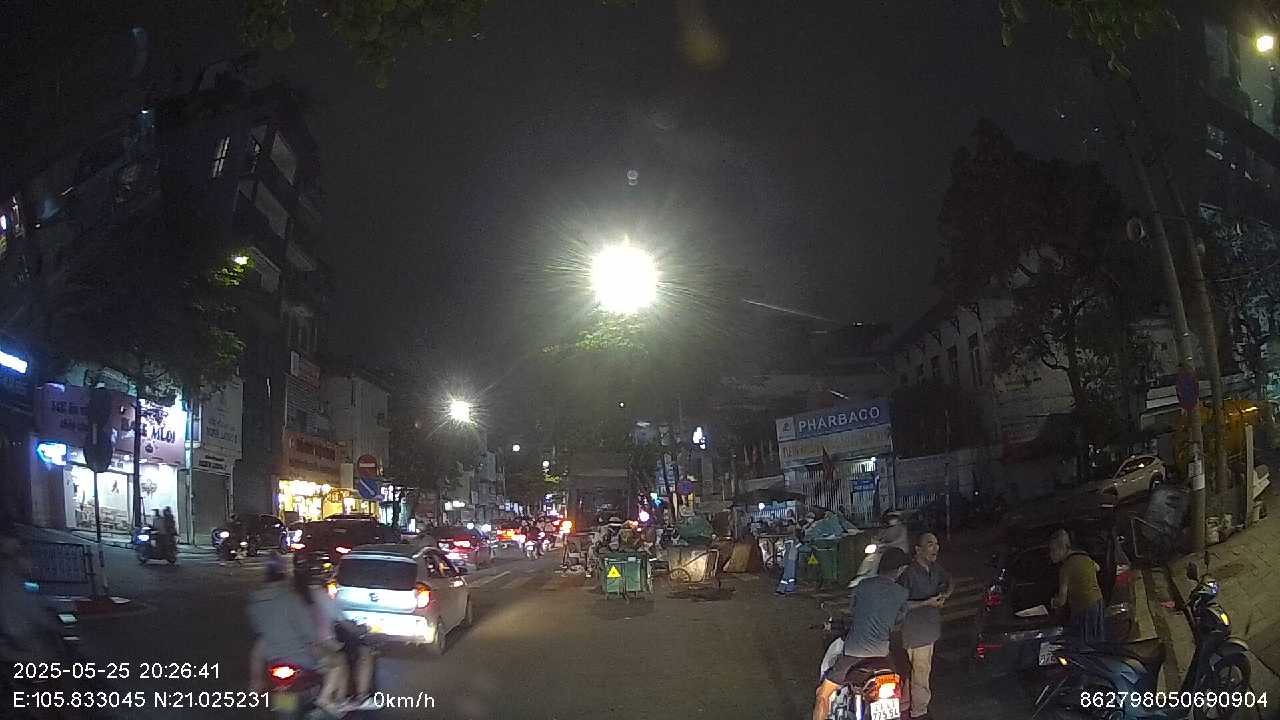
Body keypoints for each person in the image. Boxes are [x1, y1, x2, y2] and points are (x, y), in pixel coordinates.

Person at [812, 546, 915, 720]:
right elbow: (898, 621)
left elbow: (853, 610)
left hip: (853, 654)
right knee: (899, 684)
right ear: (900, 569)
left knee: (822, 695)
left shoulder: (863, 585)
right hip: (882, 655)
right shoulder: (901, 593)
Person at [898, 532, 953, 720]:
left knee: (917, 671)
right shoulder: (908, 573)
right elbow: (900, 604)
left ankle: (906, 706)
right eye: (930, 544)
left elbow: (949, 581)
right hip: (915, 632)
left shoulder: (935, 568)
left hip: (929, 629)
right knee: (919, 672)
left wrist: (944, 595)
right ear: (918, 549)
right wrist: (925, 603)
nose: (935, 548)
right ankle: (919, 711)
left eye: (936, 543)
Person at [1048, 529, 1106, 645]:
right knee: (1097, 640)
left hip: (1083, 607)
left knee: (1084, 643)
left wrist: (1053, 602)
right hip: (1098, 602)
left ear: (1063, 548)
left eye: (1053, 550)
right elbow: (1097, 568)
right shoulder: (1084, 557)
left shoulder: (1065, 569)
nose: (1051, 554)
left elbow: (1062, 601)